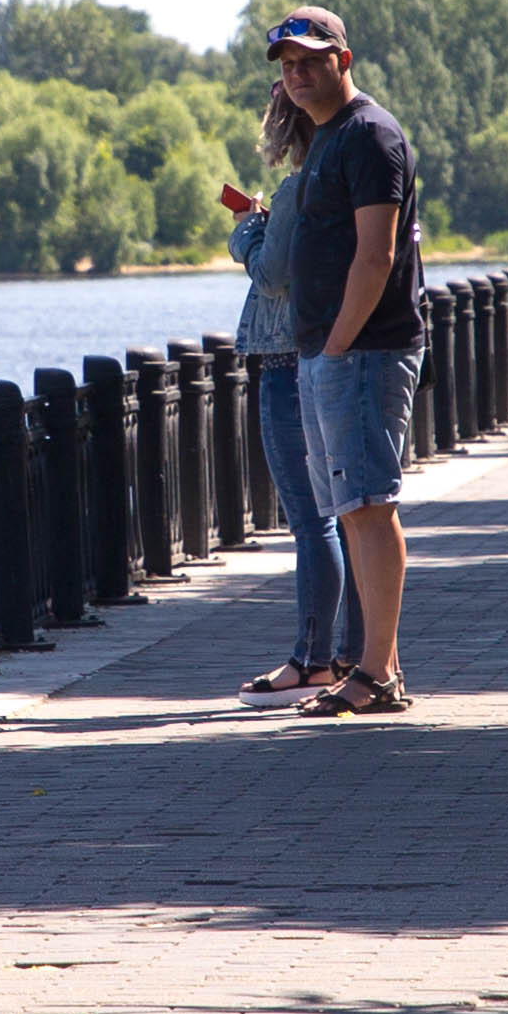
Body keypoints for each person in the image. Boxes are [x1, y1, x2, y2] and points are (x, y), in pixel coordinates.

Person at [269, 7, 426, 717]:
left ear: (343, 57)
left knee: (367, 505)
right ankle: (375, 669)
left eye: (309, 59)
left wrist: (336, 345)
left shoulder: (369, 134)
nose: (296, 74)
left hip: (361, 351)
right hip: (329, 352)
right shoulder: (329, 134)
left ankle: (376, 675)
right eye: (286, 64)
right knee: (354, 508)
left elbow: (377, 253)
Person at [217, 71, 345, 699]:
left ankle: (312, 657)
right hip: (324, 352)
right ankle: (349, 655)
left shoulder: (298, 188)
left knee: (311, 519)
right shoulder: (335, 173)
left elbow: (271, 276)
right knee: (347, 513)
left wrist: (248, 231)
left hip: (282, 362)